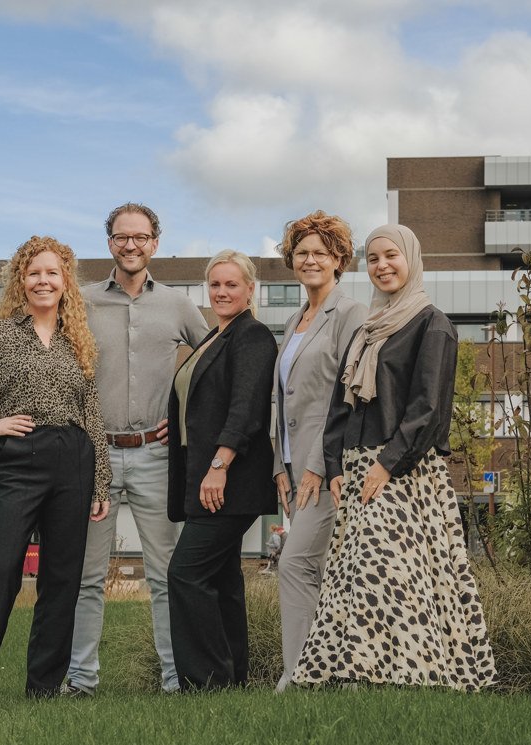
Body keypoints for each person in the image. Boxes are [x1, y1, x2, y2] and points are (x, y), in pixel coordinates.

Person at [291, 224, 497, 690]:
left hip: (404, 468)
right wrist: (337, 466)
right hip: (359, 467)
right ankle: (358, 675)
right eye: (373, 258)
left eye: (391, 256)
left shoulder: (432, 324)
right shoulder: (367, 329)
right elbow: (340, 405)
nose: (382, 265)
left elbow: (426, 409)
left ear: (411, 259)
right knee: (357, 574)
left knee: (398, 574)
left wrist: (387, 464)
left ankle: (413, 674)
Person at [0, 235, 111, 699]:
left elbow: (91, 411)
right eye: (34, 273)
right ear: (20, 281)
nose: (43, 280)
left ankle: (44, 691)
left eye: (52, 272)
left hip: (74, 458)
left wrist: (100, 482)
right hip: (19, 457)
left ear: (65, 280)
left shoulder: (79, 339)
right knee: (1, 570)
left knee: (62, 576)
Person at [64, 204, 209, 696]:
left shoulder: (178, 305)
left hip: (155, 455)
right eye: (122, 237)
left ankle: (174, 679)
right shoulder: (78, 303)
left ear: (155, 243)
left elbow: (213, 368)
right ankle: (81, 681)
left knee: (167, 575)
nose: (131, 245)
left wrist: (187, 421)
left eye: (141, 237)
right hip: (93, 456)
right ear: (109, 243)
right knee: (86, 577)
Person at [166, 250, 278, 690]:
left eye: (232, 284)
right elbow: (200, 402)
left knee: (186, 574)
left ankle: (206, 682)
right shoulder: (215, 336)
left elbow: (246, 409)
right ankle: (232, 682)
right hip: (204, 476)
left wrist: (220, 464)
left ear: (251, 290)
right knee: (222, 579)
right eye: (215, 284)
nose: (222, 292)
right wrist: (171, 426)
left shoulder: (252, 337)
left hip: (228, 480)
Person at [272, 211, 366, 692]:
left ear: (339, 260)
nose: (310, 260)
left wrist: (313, 465)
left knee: (295, 563)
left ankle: (301, 673)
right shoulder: (294, 320)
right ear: (292, 260)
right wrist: (280, 465)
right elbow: (285, 398)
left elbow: (347, 395)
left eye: (321, 253)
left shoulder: (350, 315)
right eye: (302, 252)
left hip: (329, 466)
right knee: (324, 569)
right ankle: (340, 675)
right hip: (293, 465)